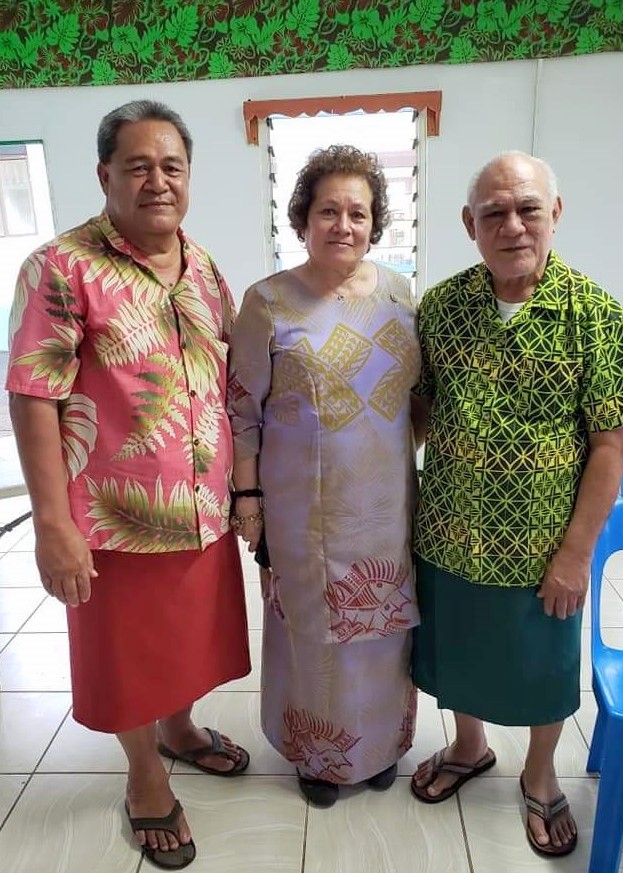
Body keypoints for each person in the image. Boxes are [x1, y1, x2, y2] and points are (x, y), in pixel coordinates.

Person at [6, 100, 251, 870]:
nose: (157, 181)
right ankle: (145, 777)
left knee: (186, 642)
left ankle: (179, 730)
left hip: (202, 506)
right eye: (137, 166)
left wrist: (245, 491)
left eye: (171, 165)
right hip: (111, 517)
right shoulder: (61, 265)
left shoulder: (205, 266)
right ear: (104, 173)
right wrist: (53, 523)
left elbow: (232, 381)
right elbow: (33, 393)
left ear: (189, 176)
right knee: (129, 656)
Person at [410, 150, 623, 857]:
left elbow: (610, 444)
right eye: (493, 212)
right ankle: (467, 745)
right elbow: (419, 409)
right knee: (453, 654)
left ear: (555, 214)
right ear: (468, 224)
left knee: (542, 664)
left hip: (543, 542)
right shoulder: (443, 306)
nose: (511, 225)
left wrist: (576, 554)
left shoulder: (595, 316)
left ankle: (540, 774)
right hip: (448, 528)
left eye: (527, 209)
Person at [228, 145, 421, 808]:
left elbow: (416, 397)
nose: (343, 223)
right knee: (311, 635)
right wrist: (247, 499)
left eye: (358, 212)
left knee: (381, 633)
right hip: (299, 509)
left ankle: (379, 746)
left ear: (376, 222)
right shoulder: (268, 301)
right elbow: (240, 409)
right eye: (328, 210)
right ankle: (317, 756)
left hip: (386, 502)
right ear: (302, 219)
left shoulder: (400, 293)